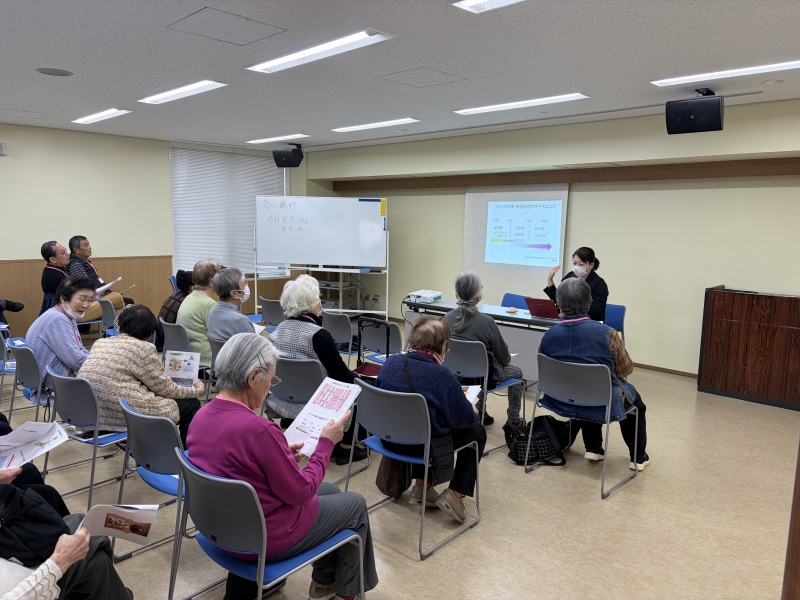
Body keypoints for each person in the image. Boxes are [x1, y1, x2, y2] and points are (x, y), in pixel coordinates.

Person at [186, 333, 379, 600]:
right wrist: (325, 445)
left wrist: (278, 454)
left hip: (220, 527)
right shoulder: (259, 429)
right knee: (355, 504)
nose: (270, 387)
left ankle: (324, 582)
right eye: (271, 379)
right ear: (253, 377)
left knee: (331, 491)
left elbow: (232, 465)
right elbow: (302, 493)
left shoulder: (201, 416)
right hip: (264, 537)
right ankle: (347, 593)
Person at [377, 316, 486, 524]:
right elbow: (464, 421)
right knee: (477, 432)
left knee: (426, 420)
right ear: (443, 346)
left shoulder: (391, 363)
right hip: (420, 446)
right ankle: (455, 495)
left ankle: (422, 487)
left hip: (387, 439)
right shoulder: (442, 376)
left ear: (412, 339)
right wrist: (473, 410)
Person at [539, 277, 649, 470]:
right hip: (602, 401)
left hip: (561, 399)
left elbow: (545, 369)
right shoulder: (608, 334)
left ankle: (593, 447)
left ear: (560, 304)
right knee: (635, 404)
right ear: (588, 302)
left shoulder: (548, 335)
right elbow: (626, 370)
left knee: (585, 388)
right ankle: (638, 457)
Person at [268, 275, 366, 465]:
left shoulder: (277, 330)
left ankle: (293, 423)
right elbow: (341, 375)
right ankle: (346, 449)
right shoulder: (319, 335)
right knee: (360, 387)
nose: (320, 302)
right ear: (312, 303)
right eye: (318, 298)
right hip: (317, 401)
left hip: (283, 398)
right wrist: (363, 379)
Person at [78, 304, 203, 445]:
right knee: (191, 404)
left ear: (119, 328)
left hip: (92, 414)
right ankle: (186, 454)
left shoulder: (100, 343)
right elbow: (166, 389)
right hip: (123, 414)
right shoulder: (144, 348)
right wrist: (196, 391)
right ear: (149, 334)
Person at [0, 485, 132, 600]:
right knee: (94, 556)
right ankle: (114, 591)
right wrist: (60, 562)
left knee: (55, 500)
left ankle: (112, 590)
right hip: (22, 584)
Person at [441, 272, 524, 427]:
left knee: (480, 370)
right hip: (483, 377)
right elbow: (505, 358)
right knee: (517, 373)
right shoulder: (487, 322)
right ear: (478, 297)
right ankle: (514, 420)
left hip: (454, 375)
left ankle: (481, 412)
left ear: (456, 295)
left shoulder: (446, 319)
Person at [25, 276, 93, 406]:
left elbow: (80, 349)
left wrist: (94, 359)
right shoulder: (58, 319)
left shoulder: (63, 315)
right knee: (109, 386)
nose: (86, 305)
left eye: (90, 300)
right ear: (63, 298)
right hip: (53, 382)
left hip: (49, 377)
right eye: (82, 299)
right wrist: (100, 363)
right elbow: (75, 360)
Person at [39, 241, 116, 323]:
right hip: (72, 313)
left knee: (116, 310)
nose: (67, 254)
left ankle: (117, 329)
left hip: (72, 309)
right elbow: (73, 298)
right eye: (63, 252)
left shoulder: (52, 270)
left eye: (65, 250)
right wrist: (91, 297)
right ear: (52, 259)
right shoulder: (55, 276)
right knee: (115, 297)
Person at [544, 246, 609, 322]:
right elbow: (559, 300)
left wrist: (577, 301)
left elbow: (597, 312)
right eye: (574, 263)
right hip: (567, 321)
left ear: (591, 265)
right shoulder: (570, 276)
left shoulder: (599, 284)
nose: (577, 267)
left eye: (581, 264)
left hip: (588, 322)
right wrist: (550, 279)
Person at [176, 259, 220, 366]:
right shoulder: (209, 304)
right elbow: (219, 335)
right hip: (204, 357)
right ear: (211, 282)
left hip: (187, 354)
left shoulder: (189, 297)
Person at [67, 236, 129, 307]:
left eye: (89, 244)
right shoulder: (75, 264)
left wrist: (108, 292)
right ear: (76, 250)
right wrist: (98, 293)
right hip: (93, 298)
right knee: (119, 298)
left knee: (125, 300)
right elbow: (84, 285)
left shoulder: (85, 261)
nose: (90, 247)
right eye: (86, 245)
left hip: (100, 293)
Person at [207, 267, 255, 342]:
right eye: (244, 284)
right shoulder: (240, 320)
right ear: (234, 294)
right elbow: (255, 347)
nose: (246, 286)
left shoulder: (211, 313)